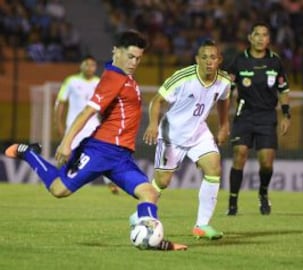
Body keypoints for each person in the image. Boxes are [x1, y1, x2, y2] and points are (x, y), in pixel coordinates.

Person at [4, 30, 187, 251]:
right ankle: (29, 153)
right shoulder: (113, 78)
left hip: (121, 156)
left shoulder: (126, 78)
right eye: (130, 56)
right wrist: (66, 142)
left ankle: (152, 240)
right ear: (116, 52)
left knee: (149, 193)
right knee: (58, 190)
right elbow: (86, 112)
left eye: (138, 58)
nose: (134, 62)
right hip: (100, 150)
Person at [130, 39, 231, 239]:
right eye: (204, 57)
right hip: (171, 134)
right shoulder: (183, 78)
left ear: (219, 60)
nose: (209, 62)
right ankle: (139, 214)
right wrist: (152, 124)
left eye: (213, 57)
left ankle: (202, 225)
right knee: (163, 181)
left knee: (214, 168)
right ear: (197, 60)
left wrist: (224, 125)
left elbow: (223, 99)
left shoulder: (224, 81)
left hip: (199, 133)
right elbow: (157, 100)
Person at [225, 22, 291, 216]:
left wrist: (286, 114)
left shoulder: (275, 61)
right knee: (240, 154)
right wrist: (223, 118)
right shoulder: (239, 61)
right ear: (250, 38)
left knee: (267, 163)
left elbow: (283, 90)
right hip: (244, 115)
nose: (261, 38)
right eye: (257, 35)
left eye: (265, 35)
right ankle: (233, 202)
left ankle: (263, 192)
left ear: (269, 39)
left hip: (267, 116)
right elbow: (227, 90)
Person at [54, 55, 120, 195]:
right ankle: (58, 179)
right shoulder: (71, 81)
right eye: (87, 64)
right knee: (66, 154)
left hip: (93, 126)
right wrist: (58, 124)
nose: (89, 68)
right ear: (81, 65)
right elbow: (61, 102)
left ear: (95, 67)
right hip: (74, 126)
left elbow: (106, 106)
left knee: (101, 153)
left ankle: (110, 182)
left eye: (92, 65)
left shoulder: (99, 82)